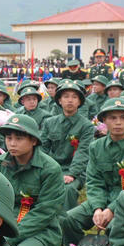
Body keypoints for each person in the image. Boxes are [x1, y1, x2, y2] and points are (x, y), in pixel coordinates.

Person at [61, 97, 124, 246]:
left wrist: (111, 210)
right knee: (68, 219)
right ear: (104, 120)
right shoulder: (96, 147)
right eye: (112, 118)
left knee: (115, 227)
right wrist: (97, 208)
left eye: (123, 117)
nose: (118, 122)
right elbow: (94, 181)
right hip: (102, 199)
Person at [0, 112, 65, 246]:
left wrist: (9, 236)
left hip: (41, 230)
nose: (12, 143)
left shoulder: (50, 169)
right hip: (4, 224)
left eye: (19, 138)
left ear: (33, 141)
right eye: (9, 138)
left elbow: (44, 212)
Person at [40, 80, 93, 210]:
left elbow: (83, 152)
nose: (70, 100)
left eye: (74, 97)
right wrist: (45, 170)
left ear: (80, 102)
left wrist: (72, 174)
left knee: (68, 189)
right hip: (52, 167)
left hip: (75, 170)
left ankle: (66, 223)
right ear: (59, 100)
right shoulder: (49, 122)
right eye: (66, 96)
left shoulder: (86, 126)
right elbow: (42, 149)